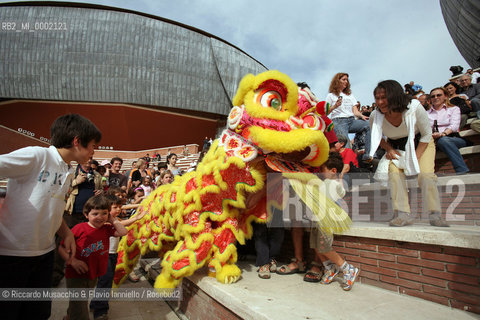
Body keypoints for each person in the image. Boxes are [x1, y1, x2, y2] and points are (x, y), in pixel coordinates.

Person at [0, 113, 101, 320]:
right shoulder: (37, 155)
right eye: (92, 144)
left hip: (44, 254)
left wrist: (66, 233)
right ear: (77, 141)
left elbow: (52, 207)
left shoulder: (67, 169)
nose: (93, 151)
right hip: (12, 256)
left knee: (38, 313)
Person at [369, 80, 449, 227]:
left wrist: (415, 157)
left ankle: (435, 214)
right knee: (394, 173)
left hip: (421, 143)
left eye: (384, 97)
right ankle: (402, 214)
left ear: (395, 95)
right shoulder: (375, 115)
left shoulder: (415, 107)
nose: (380, 102)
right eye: (377, 98)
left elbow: (426, 134)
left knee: (425, 175)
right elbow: (376, 136)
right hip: (396, 147)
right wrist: (389, 149)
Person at [59, 195, 127, 320]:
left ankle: (70, 315)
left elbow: (123, 232)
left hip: (93, 274)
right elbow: (61, 247)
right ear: (86, 214)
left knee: (79, 301)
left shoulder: (107, 229)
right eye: (95, 213)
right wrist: (72, 261)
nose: (100, 217)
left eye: (104, 213)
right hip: (76, 274)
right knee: (80, 308)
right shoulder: (79, 228)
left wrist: (113, 220)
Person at [306, 152, 360, 290]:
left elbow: (336, 195)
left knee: (324, 247)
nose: (320, 171)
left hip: (325, 221)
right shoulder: (327, 183)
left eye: (322, 169)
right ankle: (329, 268)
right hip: (316, 220)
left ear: (333, 170)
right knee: (316, 246)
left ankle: (347, 268)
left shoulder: (331, 184)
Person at [89, 195, 146, 320]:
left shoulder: (114, 220)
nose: (119, 209)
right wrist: (136, 217)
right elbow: (121, 224)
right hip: (105, 255)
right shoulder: (106, 223)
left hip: (112, 254)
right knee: (105, 282)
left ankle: (95, 303)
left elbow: (122, 227)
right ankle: (100, 311)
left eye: (120, 207)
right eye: (115, 207)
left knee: (105, 282)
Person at [53, 157, 103, 286]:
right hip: (71, 213)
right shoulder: (72, 172)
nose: (88, 162)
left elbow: (101, 190)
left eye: (90, 160)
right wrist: (76, 181)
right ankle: (56, 274)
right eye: (86, 160)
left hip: (88, 215)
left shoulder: (96, 175)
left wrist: (100, 192)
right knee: (62, 241)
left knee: (85, 243)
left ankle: (82, 270)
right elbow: (61, 188)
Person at [326, 73, 372, 163]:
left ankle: (367, 155)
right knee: (346, 147)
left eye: (347, 80)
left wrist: (361, 116)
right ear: (337, 81)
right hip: (338, 121)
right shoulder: (331, 95)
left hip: (351, 120)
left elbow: (355, 111)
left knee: (369, 125)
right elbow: (326, 112)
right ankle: (348, 168)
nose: (346, 82)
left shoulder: (350, 95)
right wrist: (335, 106)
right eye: (343, 79)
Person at [427, 87, 469, 174]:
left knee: (443, 140)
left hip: (453, 138)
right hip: (433, 140)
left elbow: (454, 126)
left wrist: (443, 134)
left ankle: (462, 170)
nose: (435, 98)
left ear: (445, 96)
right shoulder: (426, 113)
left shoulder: (454, 109)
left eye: (439, 95)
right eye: (433, 96)